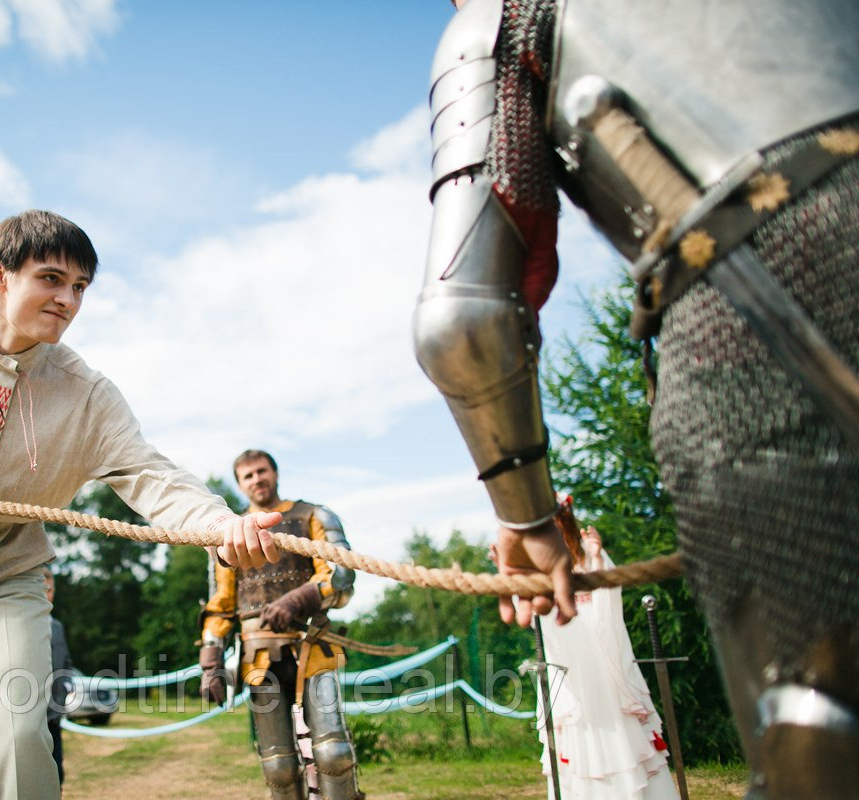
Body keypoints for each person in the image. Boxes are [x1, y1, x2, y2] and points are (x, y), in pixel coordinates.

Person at [414, 2, 859, 797]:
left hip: (762, 320)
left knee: (819, 744)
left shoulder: (501, 20)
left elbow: (462, 320)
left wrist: (528, 516)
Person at [0, 209, 281, 800]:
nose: (68, 300)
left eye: (80, 288)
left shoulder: (89, 394)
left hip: (8, 577)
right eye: (51, 279)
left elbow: (149, 474)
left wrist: (223, 525)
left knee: (23, 734)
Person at [198, 449, 361, 800]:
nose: (257, 479)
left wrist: (296, 600)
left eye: (262, 471)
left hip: (312, 647)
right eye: (248, 475)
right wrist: (211, 662)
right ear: (241, 485)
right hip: (258, 658)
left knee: (333, 753)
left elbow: (340, 575)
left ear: (275, 472)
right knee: (278, 766)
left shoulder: (313, 515)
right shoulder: (229, 536)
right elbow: (220, 605)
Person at [515, 501, 678, 800]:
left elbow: (610, 602)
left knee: (617, 720)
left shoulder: (593, 556)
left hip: (603, 656)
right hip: (568, 655)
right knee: (579, 723)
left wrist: (595, 558)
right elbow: (529, 612)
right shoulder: (540, 564)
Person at [42, 570, 74, 791]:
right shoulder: (25, 626)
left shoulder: (58, 627)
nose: (48, 595)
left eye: (50, 590)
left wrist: (67, 688)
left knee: (57, 771)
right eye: (43, 590)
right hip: (31, 711)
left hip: (55, 711)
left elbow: (66, 661)